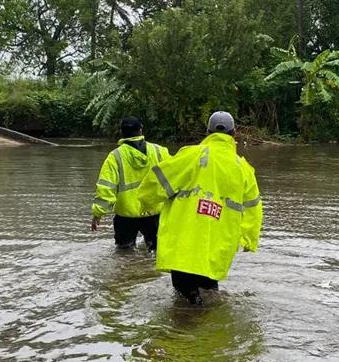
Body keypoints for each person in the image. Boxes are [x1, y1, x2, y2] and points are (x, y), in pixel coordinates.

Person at [138, 112, 262, 305]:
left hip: (184, 242)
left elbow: (157, 181)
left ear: (207, 131)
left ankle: (189, 325)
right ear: (234, 133)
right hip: (218, 244)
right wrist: (249, 239)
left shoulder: (190, 156)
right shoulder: (243, 168)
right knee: (210, 292)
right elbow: (253, 208)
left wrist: (147, 203)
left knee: (186, 298)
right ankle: (208, 329)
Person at [92, 117, 169, 251]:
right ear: (140, 131)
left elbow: (106, 187)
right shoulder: (159, 151)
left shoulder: (115, 156)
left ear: (122, 133)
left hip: (126, 215)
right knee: (157, 252)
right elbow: (175, 174)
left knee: (124, 253)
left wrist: (98, 213)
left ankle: (127, 272)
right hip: (153, 212)